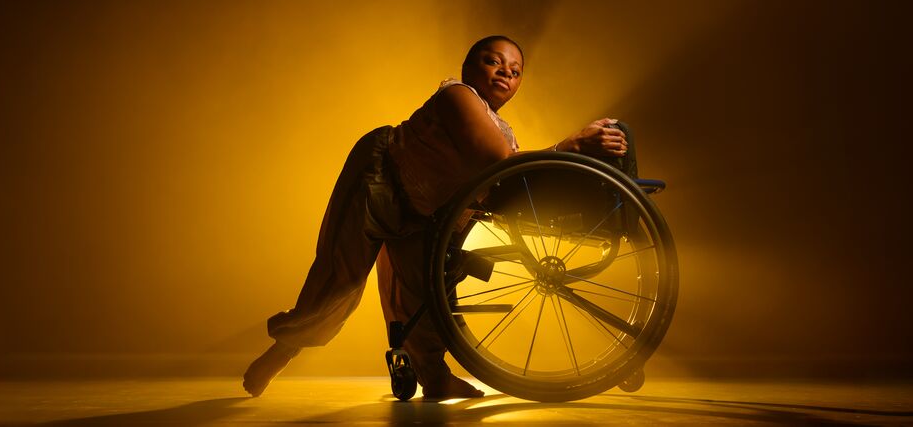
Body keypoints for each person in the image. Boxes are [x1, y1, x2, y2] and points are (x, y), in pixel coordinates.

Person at [243, 35, 629, 399]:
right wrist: (571, 145)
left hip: (425, 212)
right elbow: (496, 163)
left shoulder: (506, 131)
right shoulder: (458, 96)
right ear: (468, 68)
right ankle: (283, 349)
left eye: (514, 71)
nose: (504, 73)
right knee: (338, 282)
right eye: (492, 61)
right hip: (380, 180)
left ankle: (434, 378)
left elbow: (504, 181)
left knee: (422, 297)